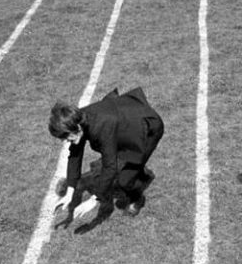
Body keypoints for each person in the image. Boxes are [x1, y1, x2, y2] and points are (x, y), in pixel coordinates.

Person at [48, 87, 164, 223]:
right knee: (128, 163)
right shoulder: (78, 120)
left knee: (124, 181)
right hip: (126, 122)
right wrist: (70, 192)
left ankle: (137, 198)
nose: (65, 141)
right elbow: (75, 155)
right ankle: (140, 173)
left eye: (66, 137)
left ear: (77, 128)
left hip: (148, 129)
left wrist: (95, 199)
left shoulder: (102, 127)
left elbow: (110, 167)